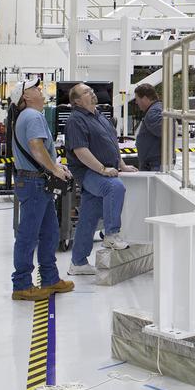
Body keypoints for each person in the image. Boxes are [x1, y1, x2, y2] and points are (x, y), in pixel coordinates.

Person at [8, 79, 75, 300]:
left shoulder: (28, 117)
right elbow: (36, 147)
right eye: (35, 88)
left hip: (35, 182)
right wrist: (55, 169)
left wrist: (55, 165)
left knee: (50, 232)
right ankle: (22, 285)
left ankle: (50, 278)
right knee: (29, 235)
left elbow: (39, 149)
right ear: (25, 97)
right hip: (34, 183)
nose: (40, 90)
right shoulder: (32, 116)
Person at [66, 83, 137, 275]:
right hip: (89, 172)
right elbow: (81, 151)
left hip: (104, 170)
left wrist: (121, 165)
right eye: (86, 92)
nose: (92, 93)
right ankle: (111, 234)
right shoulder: (76, 120)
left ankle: (78, 262)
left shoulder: (100, 116)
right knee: (114, 188)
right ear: (77, 101)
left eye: (91, 90)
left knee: (88, 218)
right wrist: (103, 169)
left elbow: (112, 143)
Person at [133, 82, 163, 171]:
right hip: (154, 163)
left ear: (145, 98)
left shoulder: (153, 113)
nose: (136, 102)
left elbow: (166, 133)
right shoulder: (158, 108)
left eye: (137, 99)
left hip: (154, 164)